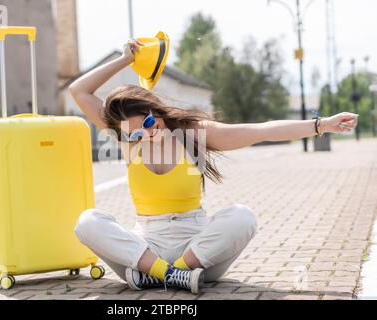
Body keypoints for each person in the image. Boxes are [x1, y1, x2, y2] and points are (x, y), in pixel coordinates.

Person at [69, 39, 359, 294]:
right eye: (135, 133)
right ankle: (170, 275)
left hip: (195, 250)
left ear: (155, 109)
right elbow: (79, 90)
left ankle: (170, 274)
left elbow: (262, 130)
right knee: (87, 222)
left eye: (148, 123)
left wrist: (322, 125)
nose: (147, 134)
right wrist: (126, 59)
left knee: (242, 217)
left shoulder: (193, 134)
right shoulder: (127, 140)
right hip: (145, 249)